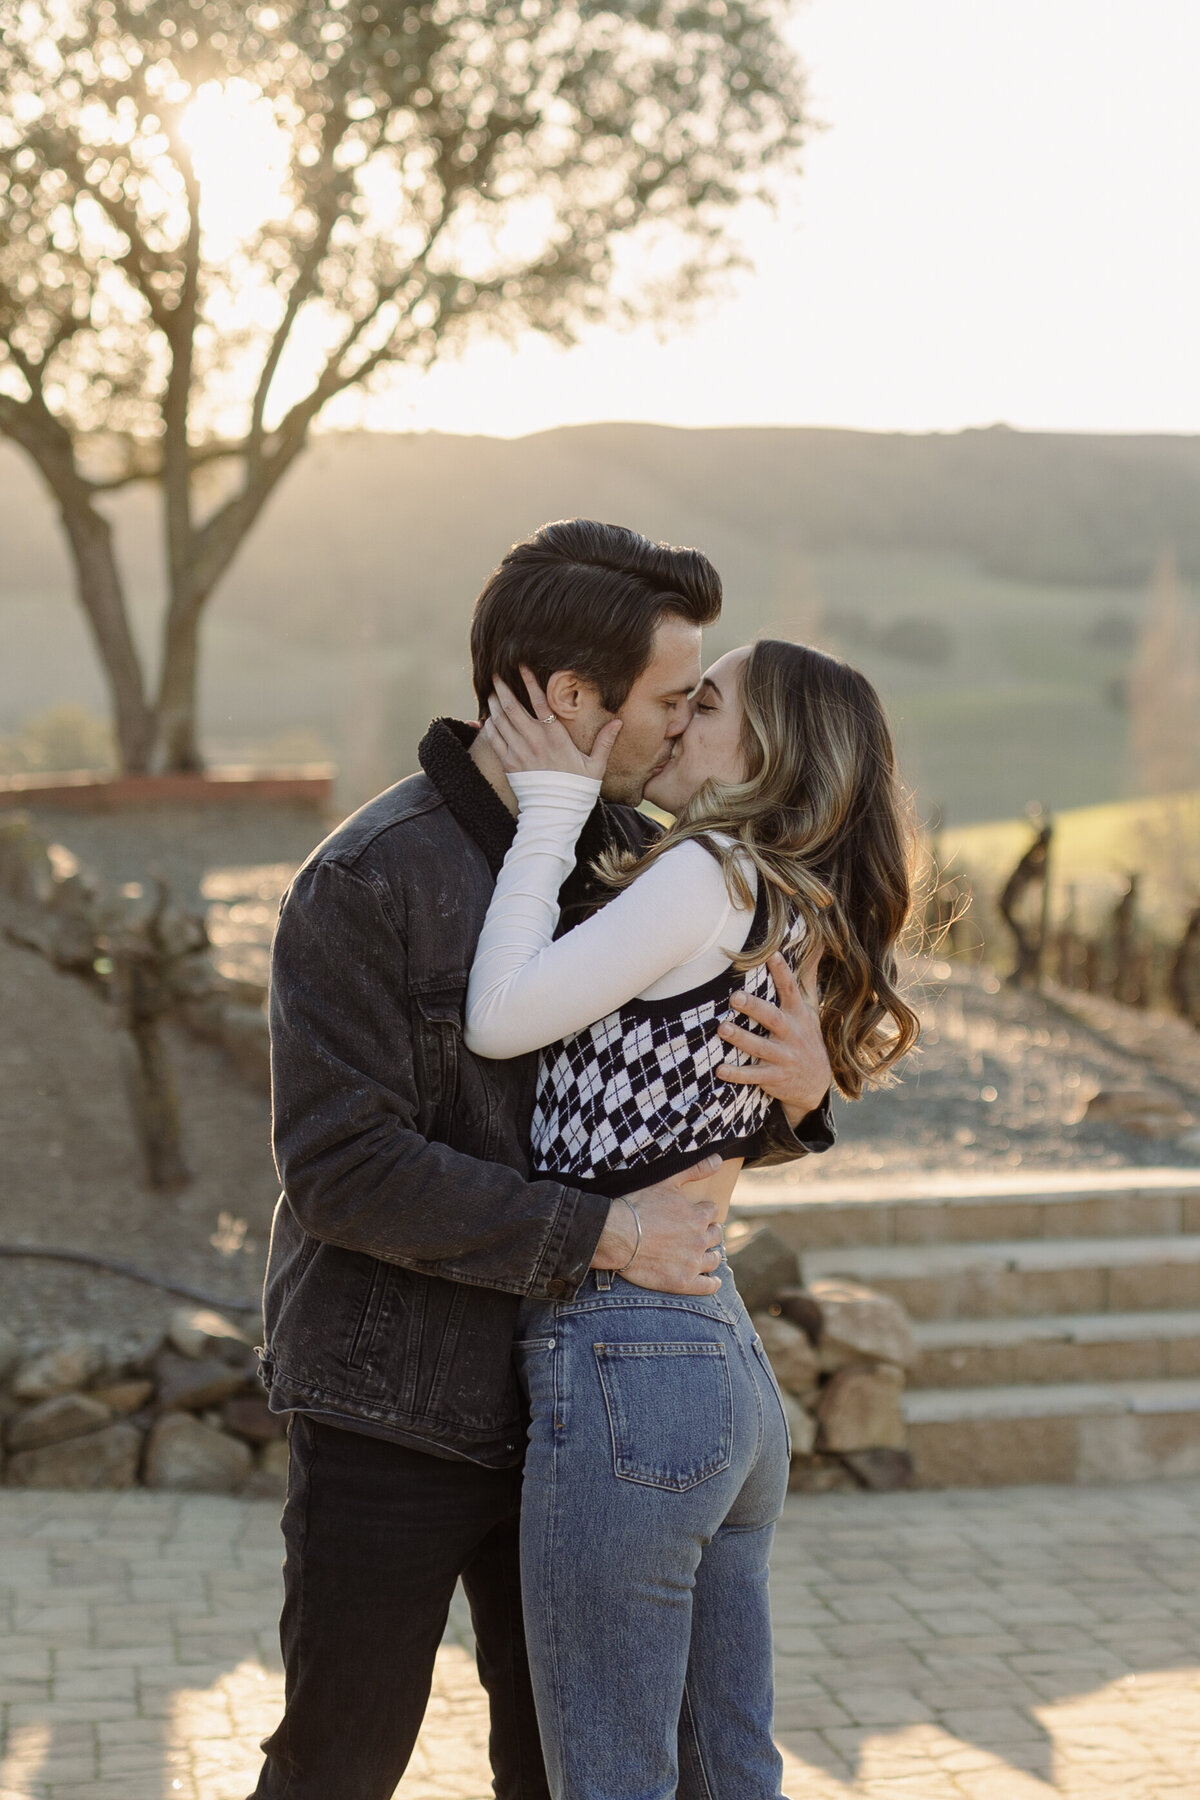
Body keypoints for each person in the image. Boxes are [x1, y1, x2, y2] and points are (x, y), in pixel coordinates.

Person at [252, 521, 835, 1800]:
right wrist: (604, 1237)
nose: (685, 732)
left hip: (581, 1413)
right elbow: (342, 1170)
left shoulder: (634, 859)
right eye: (672, 702)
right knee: (336, 1769)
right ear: (574, 698)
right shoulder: (364, 880)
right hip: (390, 1402)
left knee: (575, 1774)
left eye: (698, 705)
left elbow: (653, 1104)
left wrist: (800, 1098)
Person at [463, 638, 919, 1800]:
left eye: (703, 705)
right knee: (728, 1775)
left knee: (614, 1779)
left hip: (624, 1356)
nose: (672, 721)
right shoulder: (782, 892)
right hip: (716, 1364)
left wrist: (552, 807)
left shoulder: (706, 873)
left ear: (762, 750)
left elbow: (503, 1018)